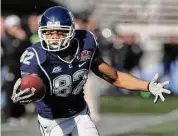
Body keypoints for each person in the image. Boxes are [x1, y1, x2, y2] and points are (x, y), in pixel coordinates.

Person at [11, 6, 171, 136]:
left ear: (72, 31)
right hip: (52, 121)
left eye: (60, 32)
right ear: (41, 33)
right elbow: (31, 81)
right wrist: (28, 90)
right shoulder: (35, 55)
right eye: (49, 33)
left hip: (79, 114)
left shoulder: (86, 42)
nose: (55, 38)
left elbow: (114, 77)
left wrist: (148, 86)